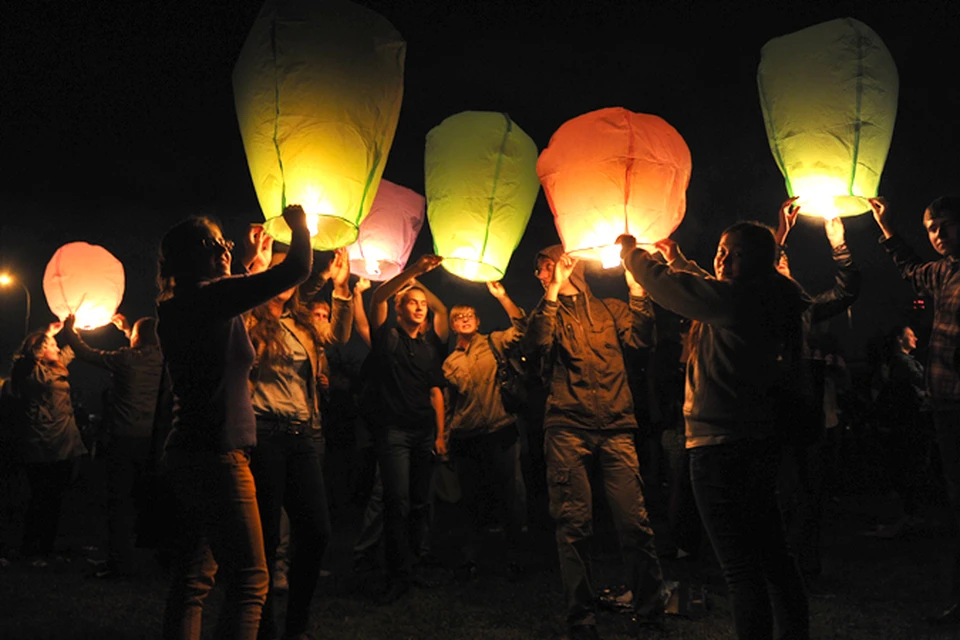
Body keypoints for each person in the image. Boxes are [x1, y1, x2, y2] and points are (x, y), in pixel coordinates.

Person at [620, 221, 810, 640]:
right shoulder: (766, 296)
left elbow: (677, 291)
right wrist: (678, 259)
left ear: (762, 260)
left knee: (741, 568)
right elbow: (707, 287)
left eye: (737, 252)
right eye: (722, 248)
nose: (724, 257)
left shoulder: (742, 300)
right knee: (773, 555)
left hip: (721, 445)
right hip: (754, 439)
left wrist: (634, 256)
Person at [156, 205, 311, 640]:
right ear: (191, 254)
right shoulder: (209, 299)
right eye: (214, 242)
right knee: (250, 579)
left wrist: (250, 267)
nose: (225, 247)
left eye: (225, 241)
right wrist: (302, 225)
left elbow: (228, 306)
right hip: (218, 456)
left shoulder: (182, 304)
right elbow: (297, 267)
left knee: (193, 578)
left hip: (190, 452)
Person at [523, 244, 667, 640]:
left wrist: (637, 291)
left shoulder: (610, 309)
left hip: (617, 425)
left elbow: (641, 342)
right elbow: (535, 345)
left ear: (573, 264)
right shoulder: (544, 312)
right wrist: (551, 293)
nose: (541, 273)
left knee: (635, 524)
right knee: (574, 526)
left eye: (546, 264)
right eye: (539, 270)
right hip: (567, 427)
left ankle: (651, 612)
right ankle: (581, 619)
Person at [245, 246, 352, 640]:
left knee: (316, 532)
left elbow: (337, 336)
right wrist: (254, 268)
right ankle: (265, 627)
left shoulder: (300, 323)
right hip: (263, 433)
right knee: (268, 538)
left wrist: (340, 290)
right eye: (278, 272)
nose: (285, 281)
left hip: (302, 433)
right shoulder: (249, 317)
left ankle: (296, 625)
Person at [871, 195, 960, 625]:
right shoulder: (944, 272)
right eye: (931, 228)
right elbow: (910, 268)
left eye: (945, 225)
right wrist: (886, 227)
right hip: (945, 403)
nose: (939, 235)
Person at [774, 199, 861, 582]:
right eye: (777, 265)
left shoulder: (805, 309)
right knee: (776, 487)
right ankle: (775, 560)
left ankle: (803, 561)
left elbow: (846, 291)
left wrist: (838, 242)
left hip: (805, 407)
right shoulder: (747, 306)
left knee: (808, 487)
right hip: (766, 407)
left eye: (785, 263)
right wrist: (780, 233)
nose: (784, 268)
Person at [362, 255, 447, 604]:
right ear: (400, 309)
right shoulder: (388, 337)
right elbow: (379, 298)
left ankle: (414, 566)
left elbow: (435, 391)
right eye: (411, 303)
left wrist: (440, 434)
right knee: (396, 502)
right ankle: (396, 574)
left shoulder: (428, 346)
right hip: (394, 432)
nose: (419, 308)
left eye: (422, 304)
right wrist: (413, 273)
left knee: (419, 503)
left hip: (423, 432)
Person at [61, 312, 165, 578]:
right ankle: (153, 559)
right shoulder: (164, 359)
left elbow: (86, 353)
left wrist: (71, 330)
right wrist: (129, 328)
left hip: (123, 438)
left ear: (136, 339)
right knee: (148, 500)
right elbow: (146, 341)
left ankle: (119, 562)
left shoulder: (125, 359)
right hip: (153, 440)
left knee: (119, 502)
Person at [442, 281, 528, 579]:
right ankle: (472, 557)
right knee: (472, 498)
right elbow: (450, 404)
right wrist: (445, 437)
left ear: (477, 321)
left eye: (469, 315)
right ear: (453, 326)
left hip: (500, 428)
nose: (464, 319)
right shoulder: (450, 362)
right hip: (467, 436)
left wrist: (503, 296)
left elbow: (522, 328)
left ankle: (516, 554)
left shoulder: (494, 342)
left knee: (511, 496)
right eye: (457, 317)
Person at [8, 324, 87, 564]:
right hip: (42, 441)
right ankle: (32, 549)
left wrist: (76, 329)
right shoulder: (31, 372)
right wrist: (49, 333)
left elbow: (71, 349)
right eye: (51, 345)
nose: (56, 347)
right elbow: (27, 358)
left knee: (54, 498)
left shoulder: (56, 368)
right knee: (41, 497)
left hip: (63, 440)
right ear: (40, 350)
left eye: (54, 344)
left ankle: (46, 547)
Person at [866, 325, 932, 539]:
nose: (915, 337)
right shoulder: (903, 362)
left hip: (908, 423)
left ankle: (910, 514)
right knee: (913, 466)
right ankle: (909, 515)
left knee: (911, 467)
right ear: (899, 339)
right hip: (910, 423)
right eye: (910, 335)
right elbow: (923, 382)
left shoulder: (903, 362)